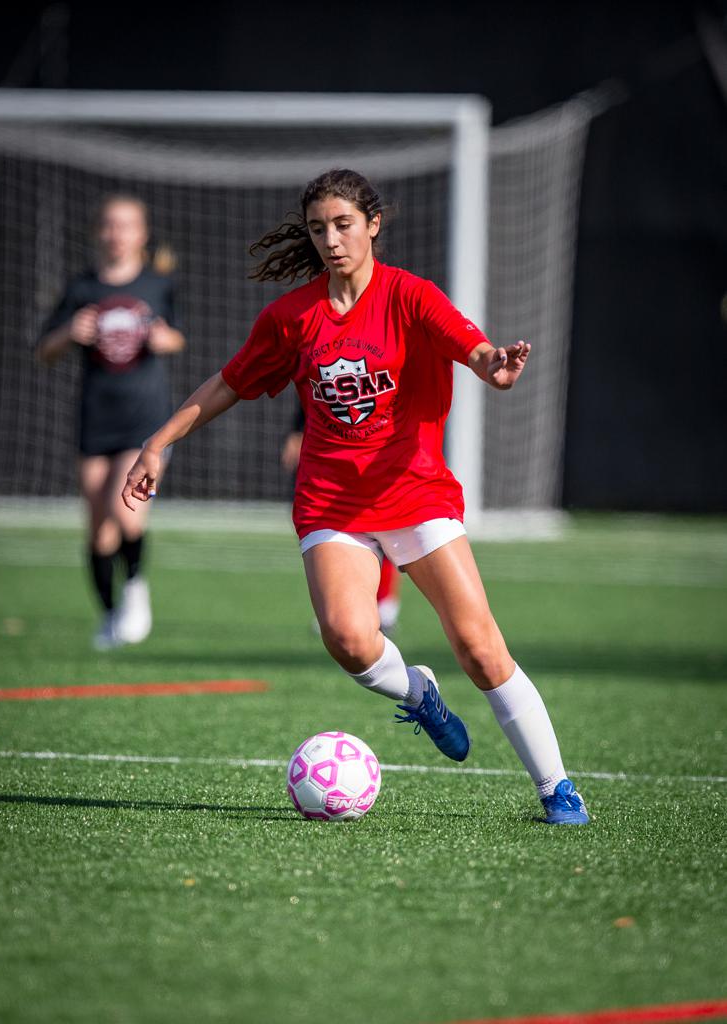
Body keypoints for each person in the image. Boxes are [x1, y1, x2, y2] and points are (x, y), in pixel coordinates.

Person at [122, 168, 588, 825]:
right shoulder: (292, 316)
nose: (331, 239)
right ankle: (420, 695)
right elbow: (227, 383)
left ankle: (556, 788)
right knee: (347, 637)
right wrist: (158, 442)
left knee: (482, 650)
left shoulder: (410, 296)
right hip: (331, 501)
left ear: (372, 224)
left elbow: (473, 347)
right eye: (318, 228)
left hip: (416, 493)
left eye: (343, 224)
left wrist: (495, 367)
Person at [38, 194, 186, 650]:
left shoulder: (157, 284)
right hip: (96, 416)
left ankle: (137, 590)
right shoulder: (82, 289)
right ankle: (109, 615)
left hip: (145, 417)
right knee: (99, 524)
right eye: (109, 225)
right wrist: (68, 333)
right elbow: (44, 350)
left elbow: (177, 338)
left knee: (127, 509)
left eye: (126, 226)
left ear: (141, 234)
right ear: (98, 232)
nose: (117, 234)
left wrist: (164, 339)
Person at [281, 404, 401, 635]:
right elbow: (315, 387)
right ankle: (342, 609)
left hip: (377, 455)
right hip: (330, 458)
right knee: (333, 536)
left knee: (382, 532)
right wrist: (297, 431)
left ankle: (384, 606)